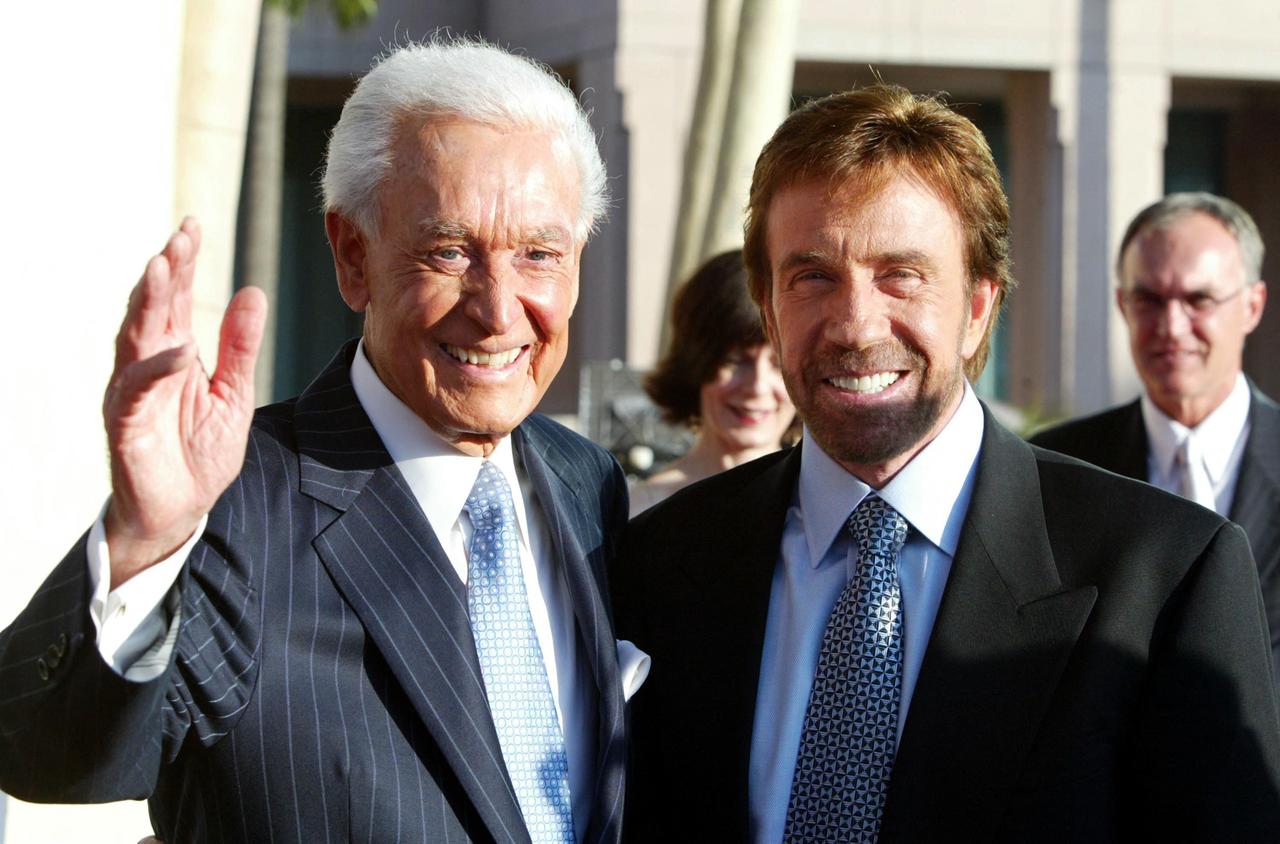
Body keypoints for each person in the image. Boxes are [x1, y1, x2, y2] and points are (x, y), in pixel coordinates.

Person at [0, 39, 638, 843]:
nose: (499, 309)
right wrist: (144, 540)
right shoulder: (236, 502)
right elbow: (46, 755)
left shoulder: (587, 484)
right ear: (352, 256)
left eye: (539, 255)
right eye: (449, 252)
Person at [612, 86, 1280, 841]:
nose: (856, 325)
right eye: (812, 277)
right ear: (769, 309)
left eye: (901, 273)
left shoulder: (1165, 577)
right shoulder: (663, 562)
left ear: (978, 308)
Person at [1032, 192, 1280, 681]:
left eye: (1198, 299)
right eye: (1148, 300)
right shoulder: (1052, 469)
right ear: (1123, 305)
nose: (1171, 327)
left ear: (1252, 307)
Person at [629, 249, 796, 516]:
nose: (758, 386)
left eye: (778, 364)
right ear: (697, 359)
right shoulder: (640, 512)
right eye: (735, 360)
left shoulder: (831, 508)